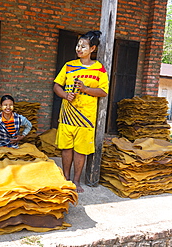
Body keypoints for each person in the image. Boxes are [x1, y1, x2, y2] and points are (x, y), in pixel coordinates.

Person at [53, 31, 109, 193]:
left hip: (86, 117)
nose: (79, 48)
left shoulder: (99, 69)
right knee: (66, 148)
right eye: (78, 45)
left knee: (80, 150)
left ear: (92, 48)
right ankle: (66, 178)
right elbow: (57, 85)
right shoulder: (69, 66)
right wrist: (65, 95)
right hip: (67, 115)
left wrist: (85, 88)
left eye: (83, 46)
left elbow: (103, 92)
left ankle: (76, 181)